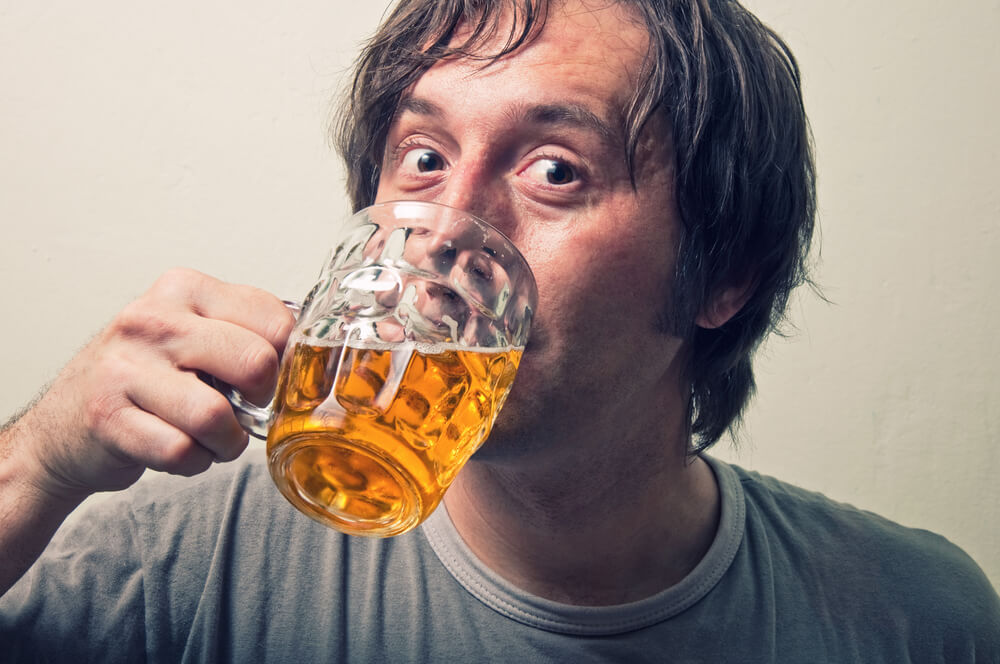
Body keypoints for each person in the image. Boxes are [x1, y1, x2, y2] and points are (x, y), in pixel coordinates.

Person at [1, 0, 997, 660]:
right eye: (424, 156)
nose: (448, 233)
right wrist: (35, 465)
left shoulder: (913, 619)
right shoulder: (172, 562)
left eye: (555, 169)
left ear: (723, 275)